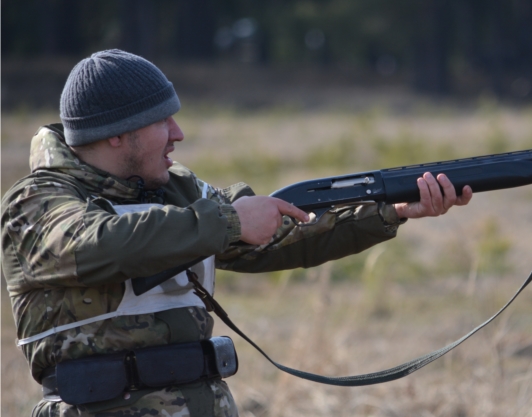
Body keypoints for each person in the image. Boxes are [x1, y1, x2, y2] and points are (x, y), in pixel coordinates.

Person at [1, 49, 473, 417]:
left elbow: (276, 235)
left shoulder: (176, 191)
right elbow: (95, 243)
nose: (178, 133)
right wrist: (228, 219)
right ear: (117, 133)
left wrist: (390, 212)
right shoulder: (36, 202)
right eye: (161, 120)